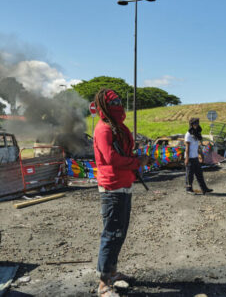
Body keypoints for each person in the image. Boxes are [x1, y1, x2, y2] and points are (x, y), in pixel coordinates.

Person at [93, 88, 149, 297]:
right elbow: (110, 158)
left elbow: (121, 153)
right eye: (113, 101)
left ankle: (112, 273)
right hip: (112, 187)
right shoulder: (104, 129)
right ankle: (103, 283)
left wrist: (136, 158)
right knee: (111, 234)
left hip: (124, 185)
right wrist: (136, 162)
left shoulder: (118, 128)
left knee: (120, 233)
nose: (118, 104)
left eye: (119, 100)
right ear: (105, 106)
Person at [184, 117, 213, 195]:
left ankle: (204, 189)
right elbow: (187, 148)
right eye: (195, 123)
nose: (197, 124)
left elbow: (197, 146)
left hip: (195, 157)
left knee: (199, 173)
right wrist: (186, 159)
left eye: (197, 123)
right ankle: (189, 189)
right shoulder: (188, 134)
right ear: (191, 124)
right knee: (189, 175)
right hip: (190, 158)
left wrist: (201, 155)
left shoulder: (196, 134)